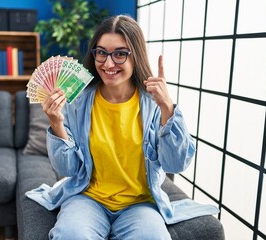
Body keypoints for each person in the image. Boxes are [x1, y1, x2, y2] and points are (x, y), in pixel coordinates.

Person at [26, 14, 219, 240]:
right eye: (101, 52)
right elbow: (68, 170)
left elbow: (175, 164)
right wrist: (56, 123)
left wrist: (168, 108)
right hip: (87, 198)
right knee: (70, 235)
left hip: (140, 204)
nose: (108, 63)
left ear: (135, 56)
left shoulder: (155, 104)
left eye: (120, 54)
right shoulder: (77, 101)